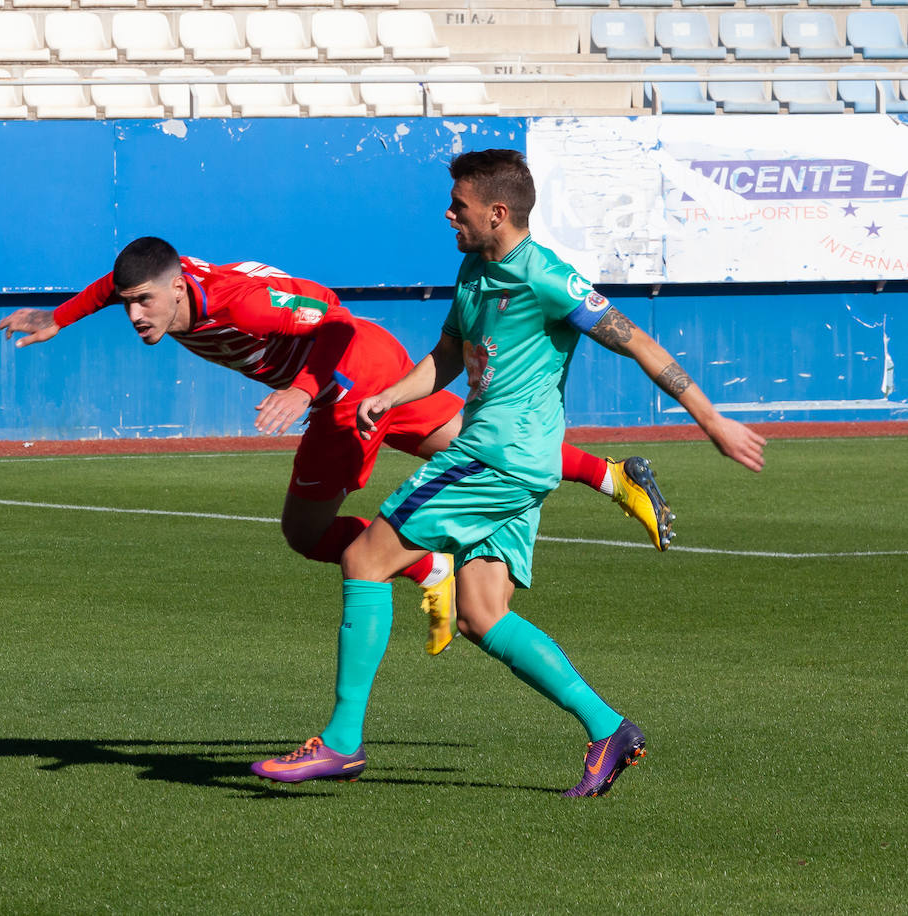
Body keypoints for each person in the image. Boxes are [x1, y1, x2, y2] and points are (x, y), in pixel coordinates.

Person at [251, 149, 766, 796]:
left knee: (364, 560)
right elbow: (443, 358)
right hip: (519, 466)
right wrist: (389, 399)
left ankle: (342, 743)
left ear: (497, 212)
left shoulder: (546, 278)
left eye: (459, 207)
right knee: (480, 615)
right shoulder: (473, 268)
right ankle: (608, 728)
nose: (448, 215)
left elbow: (634, 338)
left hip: (492, 458)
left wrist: (710, 419)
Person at [0, 237, 675, 657]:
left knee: (304, 530)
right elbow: (113, 283)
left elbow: (333, 314)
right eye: (128, 305)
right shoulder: (164, 285)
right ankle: (614, 477)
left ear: (179, 287)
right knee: (478, 444)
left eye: (145, 302)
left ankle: (426, 571)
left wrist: (308, 388)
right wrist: (60, 318)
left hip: (350, 377)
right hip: (370, 369)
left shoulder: (243, 303)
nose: (136, 314)